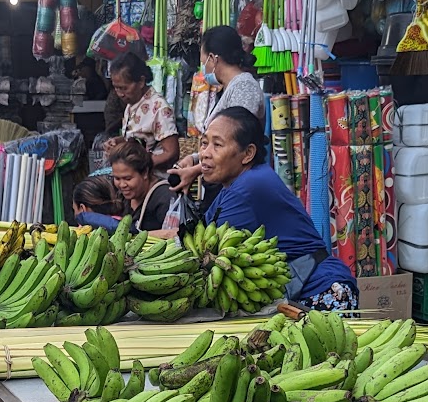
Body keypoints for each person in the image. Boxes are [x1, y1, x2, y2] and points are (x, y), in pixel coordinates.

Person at [197, 106, 358, 311]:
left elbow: (205, 253)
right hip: (295, 292)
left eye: (217, 145)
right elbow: (196, 233)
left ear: (247, 153)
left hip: (320, 292)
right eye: (204, 143)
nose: (205, 154)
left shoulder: (249, 187)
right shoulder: (235, 184)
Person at [172, 25, 264, 197]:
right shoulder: (229, 88)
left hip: (241, 186)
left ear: (213, 59)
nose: (203, 69)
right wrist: (195, 158)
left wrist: (197, 170)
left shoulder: (244, 88)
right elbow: (220, 143)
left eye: (203, 62)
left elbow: (235, 143)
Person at [107, 53, 179, 171]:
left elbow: (171, 153)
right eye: (116, 88)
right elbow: (139, 137)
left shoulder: (159, 108)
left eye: (124, 88)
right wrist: (118, 142)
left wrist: (141, 166)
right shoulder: (132, 103)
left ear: (141, 82)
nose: (120, 94)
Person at [107, 137, 173, 233]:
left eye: (128, 179)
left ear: (145, 173)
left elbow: (175, 233)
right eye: (117, 178)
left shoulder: (165, 197)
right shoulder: (122, 196)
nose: (122, 185)